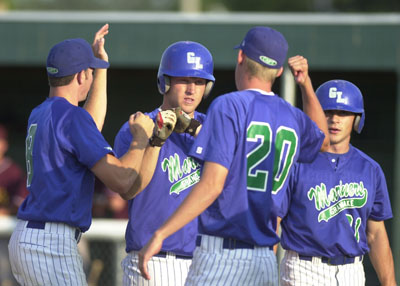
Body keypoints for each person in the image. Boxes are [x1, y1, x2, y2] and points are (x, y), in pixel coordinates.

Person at [138, 26, 330, 285]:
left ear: (241, 58)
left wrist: (161, 233)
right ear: (278, 70)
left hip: (223, 255)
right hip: (264, 259)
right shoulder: (292, 115)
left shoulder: (229, 105)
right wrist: (306, 84)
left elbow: (212, 185)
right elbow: (323, 137)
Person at [8, 24, 154, 286]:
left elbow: (89, 125)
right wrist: (141, 140)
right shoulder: (71, 118)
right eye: (89, 72)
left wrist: (99, 69)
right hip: (50, 243)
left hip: (28, 238)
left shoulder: (41, 112)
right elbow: (121, 180)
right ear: (80, 76)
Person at [274, 80, 397, 286]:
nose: (334, 120)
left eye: (343, 113)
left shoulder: (370, 169)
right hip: (304, 268)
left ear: (357, 119)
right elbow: (274, 220)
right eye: (327, 112)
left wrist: (390, 283)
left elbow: (375, 234)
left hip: (352, 271)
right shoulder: (297, 162)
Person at [113, 40, 215, 286]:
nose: (192, 89)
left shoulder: (214, 127)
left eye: (199, 82)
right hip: (154, 261)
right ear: (165, 82)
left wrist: (195, 130)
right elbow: (126, 190)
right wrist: (152, 141)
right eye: (184, 80)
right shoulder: (138, 128)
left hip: (206, 262)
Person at [0, 123, 28, 286]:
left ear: (5, 144)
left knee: (6, 277)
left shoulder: (14, 172)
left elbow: (18, 206)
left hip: (8, 234)